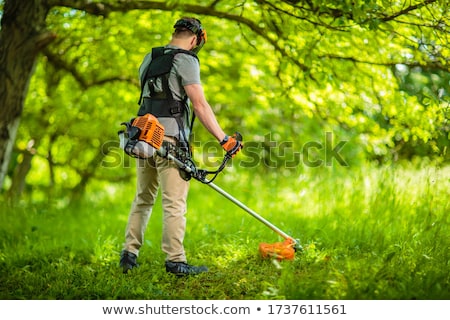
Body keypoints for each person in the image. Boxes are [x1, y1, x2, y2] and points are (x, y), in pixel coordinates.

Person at [119, 17, 242, 276]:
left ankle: (129, 255)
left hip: (143, 138)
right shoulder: (186, 60)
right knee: (174, 203)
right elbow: (200, 105)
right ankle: (176, 261)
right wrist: (224, 139)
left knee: (143, 198)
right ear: (195, 39)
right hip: (170, 142)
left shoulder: (149, 58)